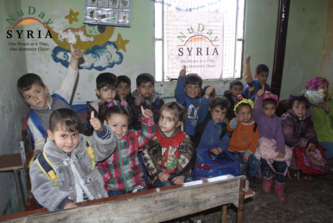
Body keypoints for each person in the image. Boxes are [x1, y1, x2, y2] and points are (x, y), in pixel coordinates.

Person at [30, 108, 116, 211]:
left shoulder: (85, 145)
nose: (70, 141)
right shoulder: (43, 162)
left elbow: (105, 150)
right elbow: (41, 189)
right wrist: (63, 203)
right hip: (67, 211)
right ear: (51, 134)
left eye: (74, 134)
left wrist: (101, 131)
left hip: (97, 202)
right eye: (63, 136)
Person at [17, 44, 83, 158]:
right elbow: (39, 142)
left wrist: (74, 59)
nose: (35, 98)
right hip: (58, 156)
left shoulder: (60, 97)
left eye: (37, 92)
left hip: (79, 147)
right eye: (29, 97)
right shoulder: (33, 119)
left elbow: (70, 78)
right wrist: (36, 154)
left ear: (46, 89)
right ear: (25, 100)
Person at [96, 104, 155, 196]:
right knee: (118, 208)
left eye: (124, 125)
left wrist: (147, 119)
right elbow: (93, 162)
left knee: (144, 204)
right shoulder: (101, 143)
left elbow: (148, 135)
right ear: (106, 123)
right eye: (115, 125)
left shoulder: (132, 137)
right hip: (113, 187)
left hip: (136, 183)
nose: (119, 129)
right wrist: (106, 178)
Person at [143, 102, 196, 188]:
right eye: (162, 117)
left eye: (169, 119)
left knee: (191, 182)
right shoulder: (153, 136)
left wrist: (182, 175)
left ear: (178, 124)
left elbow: (187, 156)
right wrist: (159, 173)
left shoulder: (183, 138)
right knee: (168, 186)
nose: (163, 122)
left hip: (178, 173)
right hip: (159, 174)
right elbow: (147, 154)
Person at [253, 87, 287, 202]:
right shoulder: (258, 117)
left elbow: (279, 136)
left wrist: (280, 149)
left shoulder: (278, 120)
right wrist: (258, 97)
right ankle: (267, 178)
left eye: (272, 109)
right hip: (261, 147)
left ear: (276, 108)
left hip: (273, 146)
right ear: (262, 108)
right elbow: (256, 109)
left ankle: (279, 187)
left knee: (282, 164)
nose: (269, 111)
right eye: (266, 108)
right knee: (264, 161)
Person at [281, 95, 319, 181]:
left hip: (301, 141)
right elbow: (288, 138)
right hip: (288, 143)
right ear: (291, 108)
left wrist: (311, 141)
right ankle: (292, 169)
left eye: (303, 107)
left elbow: (310, 131)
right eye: (297, 107)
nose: (301, 110)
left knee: (311, 151)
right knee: (293, 152)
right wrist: (305, 143)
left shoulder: (306, 118)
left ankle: (304, 167)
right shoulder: (287, 118)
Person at [227, 97, 260, 188]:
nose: (246, 116)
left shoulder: (254, 126)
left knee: (255, 162)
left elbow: (254, 141)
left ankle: (252, 175)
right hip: (233, 151)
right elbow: (229, 128)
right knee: (241, 165)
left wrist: (247, 153)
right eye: (243, 113)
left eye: (248, 113)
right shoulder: (236, 123)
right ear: (236, 114)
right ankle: (238, 181)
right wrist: (237, 120)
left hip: (246, 151)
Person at [193, 84, 230, 155]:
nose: (219, 115)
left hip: (213, 154)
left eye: (223, 113)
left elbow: (225, 141)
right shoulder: (204, 118)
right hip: (199, 152)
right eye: (217, 111)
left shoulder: (223, 126)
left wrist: (219, 149)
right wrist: (206, 95)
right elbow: (203, 107)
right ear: (210, 109)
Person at [305, 77, 333, 169]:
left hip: (329, 133)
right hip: (318, 135)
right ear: (314, 88)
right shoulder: (309, 102)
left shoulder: (328, 100)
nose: (325, 89)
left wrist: (325, 107)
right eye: (323, 87)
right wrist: (306, 99)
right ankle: (315, 161)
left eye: (327, 86)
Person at [175, 66, 202, 139]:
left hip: (197, 133)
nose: (193, 89)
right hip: (184, 132)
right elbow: (178, 92)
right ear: (184, 88)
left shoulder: (201, 102)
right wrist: (181, 78)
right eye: (190, 86)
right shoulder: (183, 100)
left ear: (200, 89)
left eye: (196, 87)